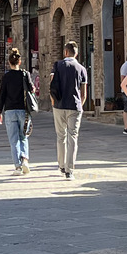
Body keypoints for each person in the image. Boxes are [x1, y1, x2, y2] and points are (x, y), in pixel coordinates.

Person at [49, 41, 88, 180]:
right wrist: (80, 105)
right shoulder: (82, 69)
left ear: (65, 52)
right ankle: (70, 170)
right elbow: (84, 92)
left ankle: (61, 164)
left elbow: (52, 85)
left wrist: (53, 102)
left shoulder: (57, 65)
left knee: (61, 136)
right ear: (76, 53)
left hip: (59, 105)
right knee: (73, 137)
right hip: (74, 106)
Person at [0, 48, 33, 175]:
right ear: (20, 61)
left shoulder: (6, 77)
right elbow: (32, 90)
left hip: (10, 111)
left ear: (9, 62)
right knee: (24, 137)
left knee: (14, 140)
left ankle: (17, 167)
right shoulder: (25, 74)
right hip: (23, 110)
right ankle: (25, 161)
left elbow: (2, 95)